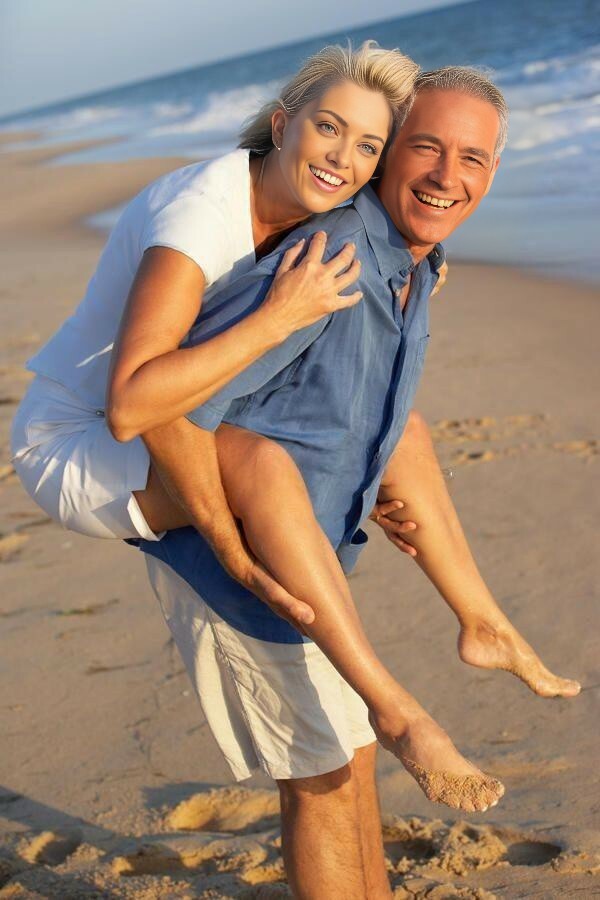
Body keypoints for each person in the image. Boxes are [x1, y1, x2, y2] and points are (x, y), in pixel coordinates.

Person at [138, 69, 580, 899]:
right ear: (386, 156)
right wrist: (234, 546)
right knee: (323, 781)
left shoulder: (415, 261)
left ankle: (481, 625)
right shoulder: (332, 258)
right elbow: (178, 409)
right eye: (427, 148)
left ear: (493, 172)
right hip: (243, 571)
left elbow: (340, 408)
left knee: (352, 762)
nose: (447, 176)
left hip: (311, 560)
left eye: (472, 159)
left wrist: (372, 480)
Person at [11, 41, 422, 625]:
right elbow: (130, 408)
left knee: (395, 429)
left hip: (158, 411)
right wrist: (275, 318)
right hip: (77, 442)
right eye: (328, 127)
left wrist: (423, 259)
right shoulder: (200, 215)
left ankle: (481, 621)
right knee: (272, 464)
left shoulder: (311, 206)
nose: (341, 157)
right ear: (282, 126)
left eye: (367, 147)